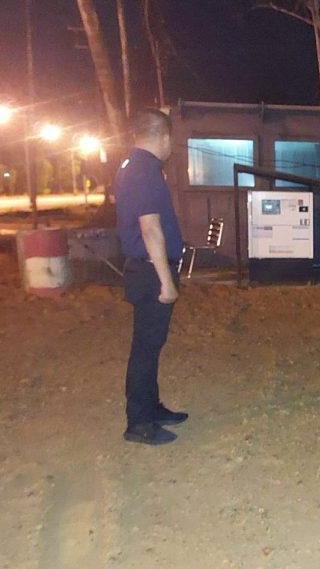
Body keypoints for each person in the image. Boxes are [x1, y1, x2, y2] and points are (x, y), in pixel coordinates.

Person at [115, 109, 189, 445]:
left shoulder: (132, 165)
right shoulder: (145, 170)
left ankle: (151, 408)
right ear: (163, 136)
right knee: (145, 348)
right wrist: (166, 281)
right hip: (150, 271)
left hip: (143, 268)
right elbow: (150, 228)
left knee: (149, 345)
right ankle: (139, 423)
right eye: (171, 138)